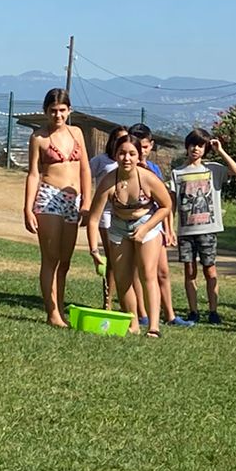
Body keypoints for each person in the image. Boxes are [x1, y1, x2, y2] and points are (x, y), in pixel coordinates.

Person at [86, 137, 173, 336]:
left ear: (138, 156)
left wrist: (146, 228)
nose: (126, 158)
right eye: (122, 153)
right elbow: (93, 218)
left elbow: (166, 206)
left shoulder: (148, 178)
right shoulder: (109, 180)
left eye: (132, 154)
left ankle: (153, 327)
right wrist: (94, 250)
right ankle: (133, 323)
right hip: (118, 227)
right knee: (122, 279)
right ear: (115, 155)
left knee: (147, 274)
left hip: (147, 225)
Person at [24, 88, 93, 327]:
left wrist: (87, 201)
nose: (58, 115)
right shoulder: (39, 138)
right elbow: (33, 173)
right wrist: (28, 208)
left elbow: (85, 168)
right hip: (49, 197)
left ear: (69, 110)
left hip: (73, 199)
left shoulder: (77, 133)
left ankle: (60, 309)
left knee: (65, 261)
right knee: (51, 258)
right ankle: (52, 313)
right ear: (45, 111)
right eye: (53, 111)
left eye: (62, 110)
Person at [172, 128, 236, 324]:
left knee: (210, 270)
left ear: (206, 149)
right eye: (193, 144)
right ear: (187, 146)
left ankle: (213, 311)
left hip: (208, 229)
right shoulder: (178, 173)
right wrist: (170, 228)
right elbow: (172, 203)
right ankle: (193, 311)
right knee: (189, 271)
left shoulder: (213, 169)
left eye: (201, 146)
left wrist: (220, 151)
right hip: (186, 230)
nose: (196, 149)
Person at [133, 126, 187, 326]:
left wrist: (169, 228)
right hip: (135, 226)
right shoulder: (126, 169)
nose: (141, 151)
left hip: (155, 226)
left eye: (145, 147)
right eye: (137, 147)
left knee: (162, 271)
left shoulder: (154, 169)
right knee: (140, 272)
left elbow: (164, 202)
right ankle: (142, 313)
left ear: (151, 146)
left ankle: (170, 315)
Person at [90, 127, 131, 310]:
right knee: (113, 257)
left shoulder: (129, 161)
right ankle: (108, 300)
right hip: (105, 214)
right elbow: (85, 175)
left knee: (123, 259)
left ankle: (125, 301)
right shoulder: (101, 160)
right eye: (118, 139)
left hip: (124, 214)